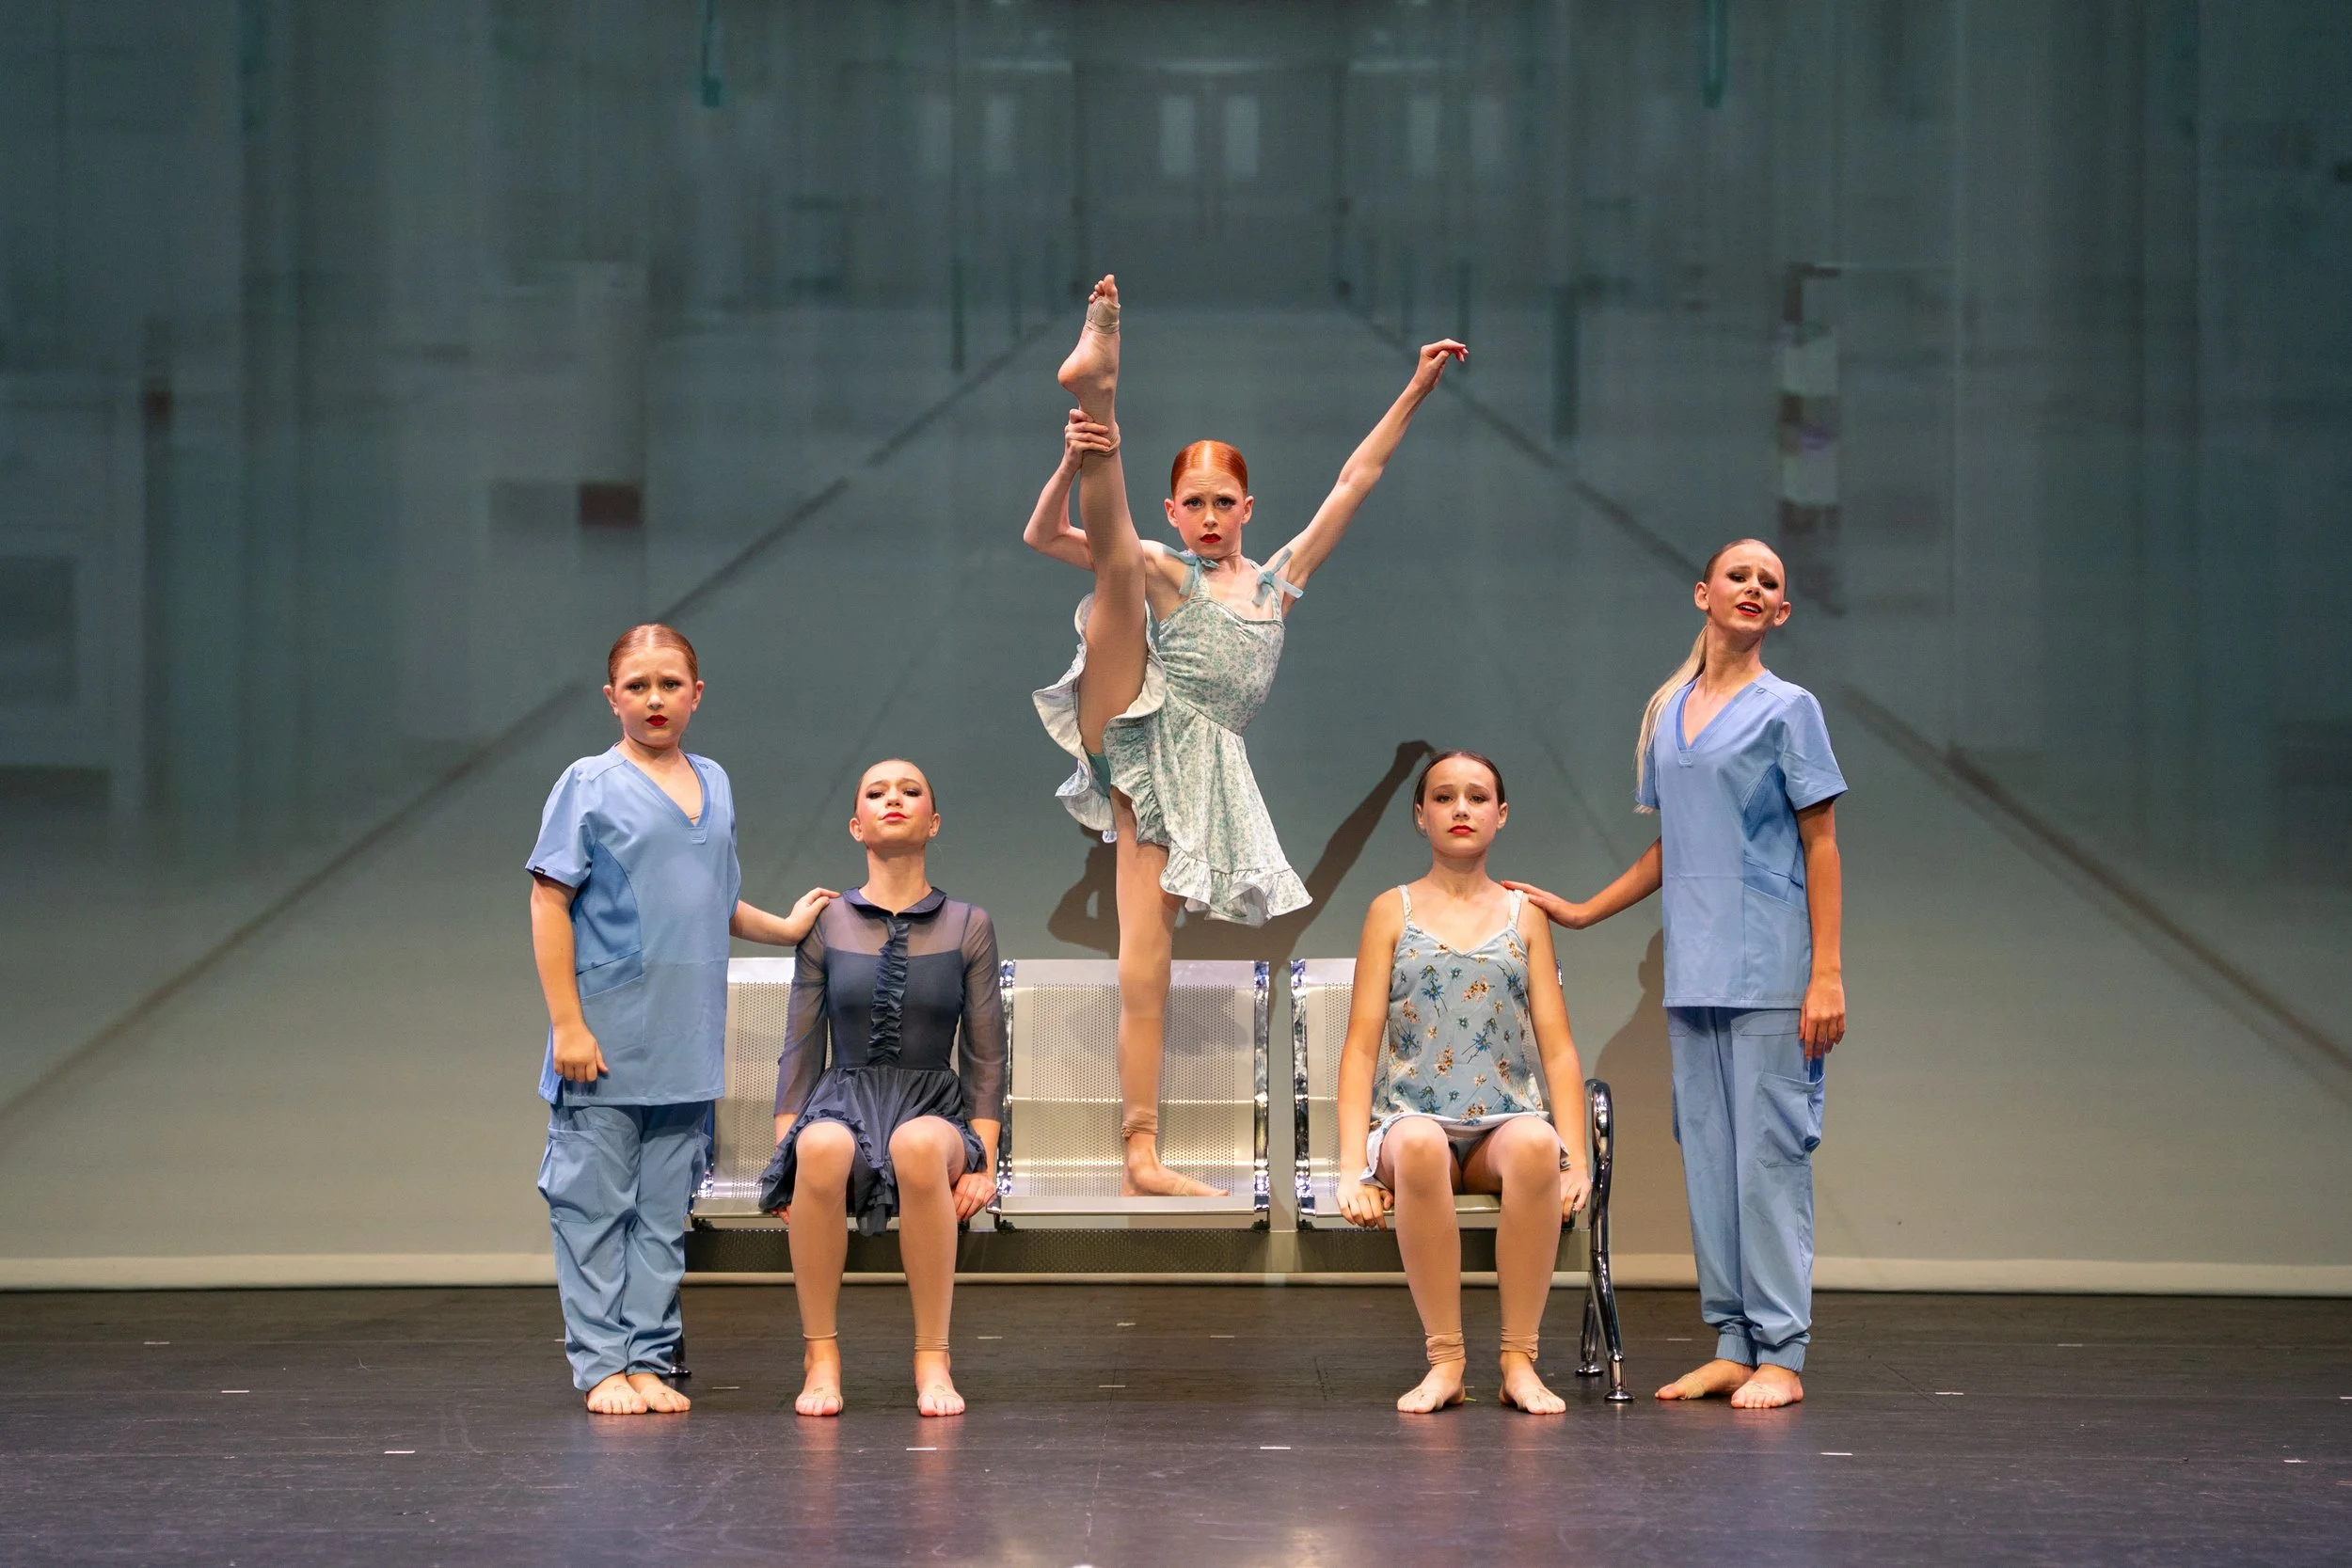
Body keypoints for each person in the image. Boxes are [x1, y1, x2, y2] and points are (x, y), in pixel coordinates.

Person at [1027, 272, 1465, 1196]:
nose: (1210, 518)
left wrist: (1416, 388)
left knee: (1147, 955)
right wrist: (1076, 458)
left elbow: (1355, 479)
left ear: (1248, 509)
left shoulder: (1276, 584)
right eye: (1194, 503)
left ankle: (1140, 1151)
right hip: (1139, 719)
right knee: (1118, 574)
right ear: (1175, 510)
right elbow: (1043, 535)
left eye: (1224, 503)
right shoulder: (1167, 565)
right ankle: (1099, 388)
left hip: (1200, 767)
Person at [1505, 539, 1847, 1410]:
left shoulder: (1789, 709)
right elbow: (1678, 843)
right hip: (1696, 975)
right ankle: (1733, 1342)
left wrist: (1827, 973)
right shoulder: (1670, 713)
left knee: (1770, 1158)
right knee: (1713, 1164)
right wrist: (1585, 910)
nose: (1754, 587)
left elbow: (1821, 843)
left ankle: (1782, 1351)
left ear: (1782, 611)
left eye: (1771, 582)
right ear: (1704, 592)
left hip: (1771, 972)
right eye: (1740, 575)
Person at [528, 624, 835, 1416]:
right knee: (594, 1206)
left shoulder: (715, 782)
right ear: (612, 698)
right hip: (606, 1035)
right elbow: (549, 900)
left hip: (686, 1037)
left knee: (662, 1213)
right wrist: (568, 1023)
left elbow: (710, 896)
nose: (654, 699)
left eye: (670, 684)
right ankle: (602, 1364)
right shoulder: (588, 784)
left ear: (697, 694)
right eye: (637, 686)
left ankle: (647, 1358)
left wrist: (785, 927)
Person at [1332, 752, 1594, 1414]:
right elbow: (1360, 1047)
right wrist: (1350, 1169)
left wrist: (1576, 1158)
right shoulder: (1390, 911)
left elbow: (1557, 1048)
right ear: (1420, 815)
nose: (1460, 809)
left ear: (1500, 815)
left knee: (1536, 1144)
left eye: (1477, 797)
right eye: (1444, 797)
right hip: (1411, 1123)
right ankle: (1446, 1359)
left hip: (1499, 1126)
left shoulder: (1524, 916)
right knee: (1421, 1143)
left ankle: (1518, 1360)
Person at [759, 760, 1004, 1418]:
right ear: (856, 825)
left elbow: (985, 1053)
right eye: (876, 792)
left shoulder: (969, 924)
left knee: (918, 1145)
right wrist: (786, 1155)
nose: (893, 798)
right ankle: (820, 1355)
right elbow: (801, 1045)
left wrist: (984, 1162)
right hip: (842, 1101)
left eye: (910, 790)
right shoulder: (826, 922)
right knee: (819, 1147)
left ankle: (933, 1355)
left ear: (933, 821)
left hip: (931, 1109)